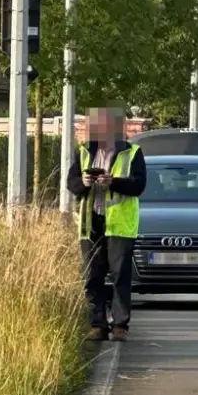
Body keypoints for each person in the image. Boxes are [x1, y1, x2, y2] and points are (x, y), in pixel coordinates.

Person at [66, 107, 147, 342]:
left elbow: (138, 185)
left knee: (120, 274)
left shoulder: (132, 153)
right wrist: (83, 181)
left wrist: (114, 182)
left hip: (120, 225)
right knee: (92, 274)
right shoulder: (83, 152)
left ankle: (120, 325)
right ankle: (97, 324)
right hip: (90, 221)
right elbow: (71, 184)